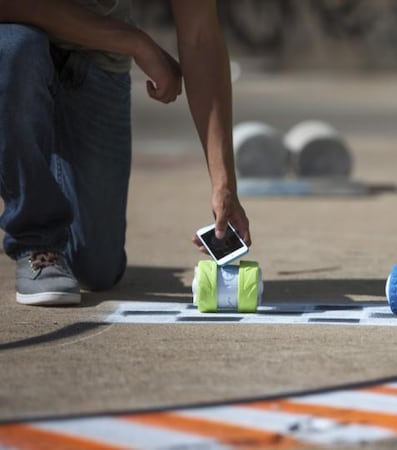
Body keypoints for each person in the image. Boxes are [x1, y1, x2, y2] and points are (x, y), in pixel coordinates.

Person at [0, 0, 251, 306]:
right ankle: (35, 240)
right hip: (15, 39)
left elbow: (200, 36)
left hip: (97, 60)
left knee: (97, 270)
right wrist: (136, 42)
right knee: (15, 50)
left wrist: (223, 183)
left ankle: (42, 156)